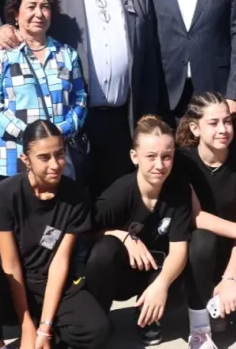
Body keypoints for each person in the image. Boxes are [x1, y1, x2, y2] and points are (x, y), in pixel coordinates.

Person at [0, 120, 110, 349]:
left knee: (97, 330)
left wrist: (44, 328)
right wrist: (26, 325)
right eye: (44, 157)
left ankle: (46, 334)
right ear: (26, 160)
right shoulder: (5, 194)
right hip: (11, 285)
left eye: (59, 154)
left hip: (50, 284)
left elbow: (60, 262)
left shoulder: (76, 196)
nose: (55, 164)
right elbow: (10, 264)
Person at [45, 0, 160, 198]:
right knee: (72, 197)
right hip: (74, 120)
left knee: (115, 197)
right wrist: (6, 31)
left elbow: (150, 64)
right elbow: (26, 26)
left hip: (121, 121)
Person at [86, 116, 193, 344]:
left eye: (166, 157)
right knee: (103, 251)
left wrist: (162, 285)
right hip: (119, 274)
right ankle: (99, 315)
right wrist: (122, 236)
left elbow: (179, 250)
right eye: (151, 156)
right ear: (135, 157)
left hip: (155, 270)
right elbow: (86, 232)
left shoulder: (179, 191)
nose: (159, 165)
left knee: (180, 276)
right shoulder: (117, 195)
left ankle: (147, 318)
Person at [0, 0, 87, 180]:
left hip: (57, 162)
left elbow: (80, 99)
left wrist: (61, 131)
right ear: (16, 13)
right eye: (31, 7)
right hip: (13, 160)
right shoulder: (0, 54)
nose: (39, 14)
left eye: (45, 7)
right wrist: (31, 137)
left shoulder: (67, 54)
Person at [174, 94, 236, 346]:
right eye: (213, 123)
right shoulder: (182, 162)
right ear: (195, 128)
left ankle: (217, 297)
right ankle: (199, 327)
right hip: (195, 254)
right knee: (203, 239)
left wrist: (231, 276)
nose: (223, 129)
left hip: (232, 253)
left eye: (227, 121)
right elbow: (196, 217)